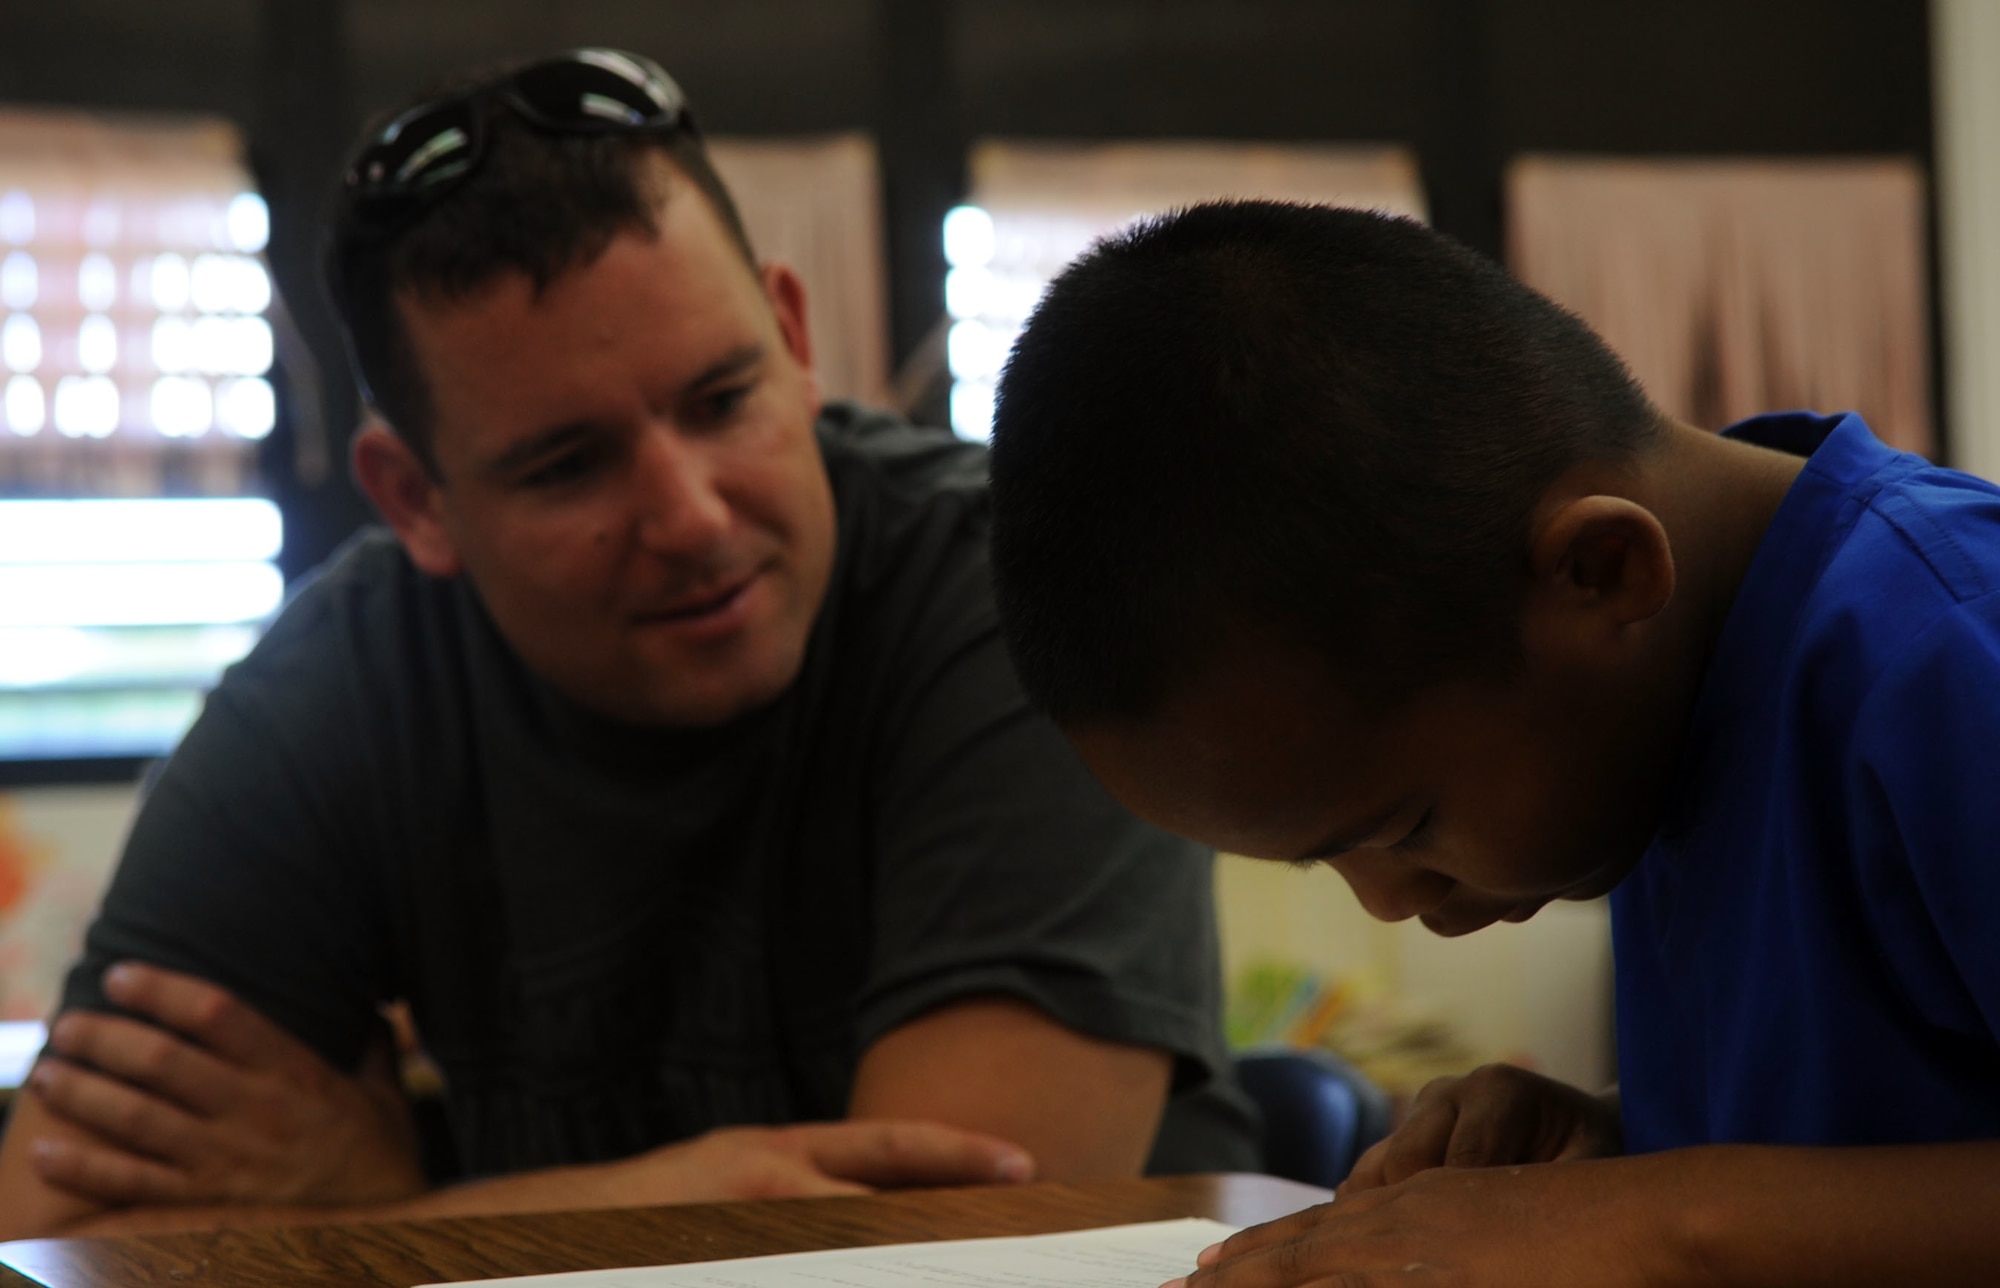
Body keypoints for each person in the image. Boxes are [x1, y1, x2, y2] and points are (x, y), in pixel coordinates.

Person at [0, 50, 1252, 1240]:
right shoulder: (337, 685)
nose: (692, 516)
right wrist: (574, 1212)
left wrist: (379, 1220)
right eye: (566, 465)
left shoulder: (1017, 589)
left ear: (795, 339)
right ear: (414, 500)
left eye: (722, 401)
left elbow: (954, 1246)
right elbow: (41, 1236)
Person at [984, 199, 2000, 1285]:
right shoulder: (1670, 696)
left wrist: (1663, 1219)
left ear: (1601, 570)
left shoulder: (1942, 643)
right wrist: (1611, 1145)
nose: (1383, 899)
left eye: (1404, 823)